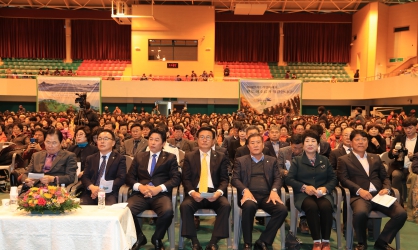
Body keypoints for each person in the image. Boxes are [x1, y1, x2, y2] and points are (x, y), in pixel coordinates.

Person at [337, 130, 407, 250]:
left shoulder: (375, 157)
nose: (361, 142)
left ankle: (382, 242)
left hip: (379, 195)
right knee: (360, 213)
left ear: (367, 142)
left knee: (401, 214)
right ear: (351, 142)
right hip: (359, 196)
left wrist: (386, 189)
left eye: (364, 139)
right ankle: (361, 243)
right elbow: (344, 179)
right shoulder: (344, 159)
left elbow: (385, 177)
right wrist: (359, 190)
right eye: (357, 139)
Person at [126, 128, 181, 250]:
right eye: (151, 139)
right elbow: (129, 178)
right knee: (126, 211)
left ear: (163, 143)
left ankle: (157, 238)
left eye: (157, 140)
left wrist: (158, 189)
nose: (153, 142)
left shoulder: (170, 157)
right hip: (141, 194)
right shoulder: (140, 156)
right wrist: (140, 187)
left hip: (160, 194)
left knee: (167, 212)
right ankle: (139, 236)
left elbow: (176, 178)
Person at [232, 133, 288, 250]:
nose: (256, 145)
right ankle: (247, 243)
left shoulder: (272, 160)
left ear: (263, 145)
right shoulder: (241, 161)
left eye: (258, 142)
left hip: (268, 196)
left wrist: (273, 190)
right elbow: (235, 179)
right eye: (252, 143)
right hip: (249, 196)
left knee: (282, 210)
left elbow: (278, 178)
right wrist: (245, 190)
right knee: (249, 207)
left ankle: (263, 240)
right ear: (248, 146)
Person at [180, 127, 230, 250]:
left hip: (214, 193)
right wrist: (192, 193)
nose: (204, 140)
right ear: (197, 139)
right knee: (185, 206)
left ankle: (213, 242)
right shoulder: (190, 156)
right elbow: (185, 179)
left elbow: (225, 179)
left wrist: (218, 193)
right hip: (196, 193)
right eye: (201, 137)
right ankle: (194, 241)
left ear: (213, 140)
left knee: (226, 205)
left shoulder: (220, 156)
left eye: (208, 137)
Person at [286, 130, 337, 250]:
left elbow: (333, 178)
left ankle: (326, 241)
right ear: (303, 145)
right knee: (312, 207)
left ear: (318, 144)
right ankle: (316, 241)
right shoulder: (297, 161)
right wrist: (304, 187)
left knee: (326, 207)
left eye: (313, 141)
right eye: (307, 141)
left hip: (321, 194)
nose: (310, 144)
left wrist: (326, 188)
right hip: (303, 195)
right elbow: (289, 179)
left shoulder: (324, 160)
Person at [80, 129, 126, 205]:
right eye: (100, 139)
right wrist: (92, 187)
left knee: (107, 212)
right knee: (80, 210)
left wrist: (103, 188)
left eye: (106, 139)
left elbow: (121, 178)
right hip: (91, 192)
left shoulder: (119, 158)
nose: (102, 141)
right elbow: (85, 176)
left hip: (109, 193)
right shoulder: (90, 158)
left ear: (113, 143)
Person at [388, 117, 418, 204]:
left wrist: (414, 156)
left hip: (414, 169)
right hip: (399, 167)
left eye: (410, 128)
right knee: (396, 175)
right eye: (405, 128)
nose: (408, 130)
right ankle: (396, 201)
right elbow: (390, 155)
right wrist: (393, 153)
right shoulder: (399, 138)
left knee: (413, 178)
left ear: (416, 126)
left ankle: (412, 204)